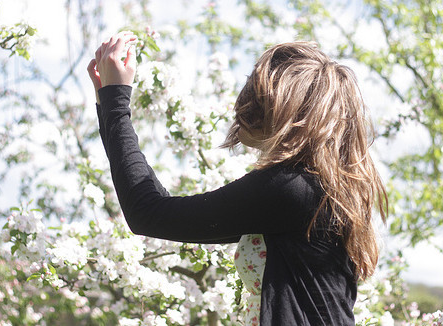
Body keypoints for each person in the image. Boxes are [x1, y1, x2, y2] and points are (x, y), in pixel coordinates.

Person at [87, 31, 388, 326]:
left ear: (282, 108)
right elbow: (157, 210)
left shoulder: (292, 188)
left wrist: (115, 101)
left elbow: (149, 213)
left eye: (257, 95)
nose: (242, 104)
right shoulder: (314, 188)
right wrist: (109, 105)